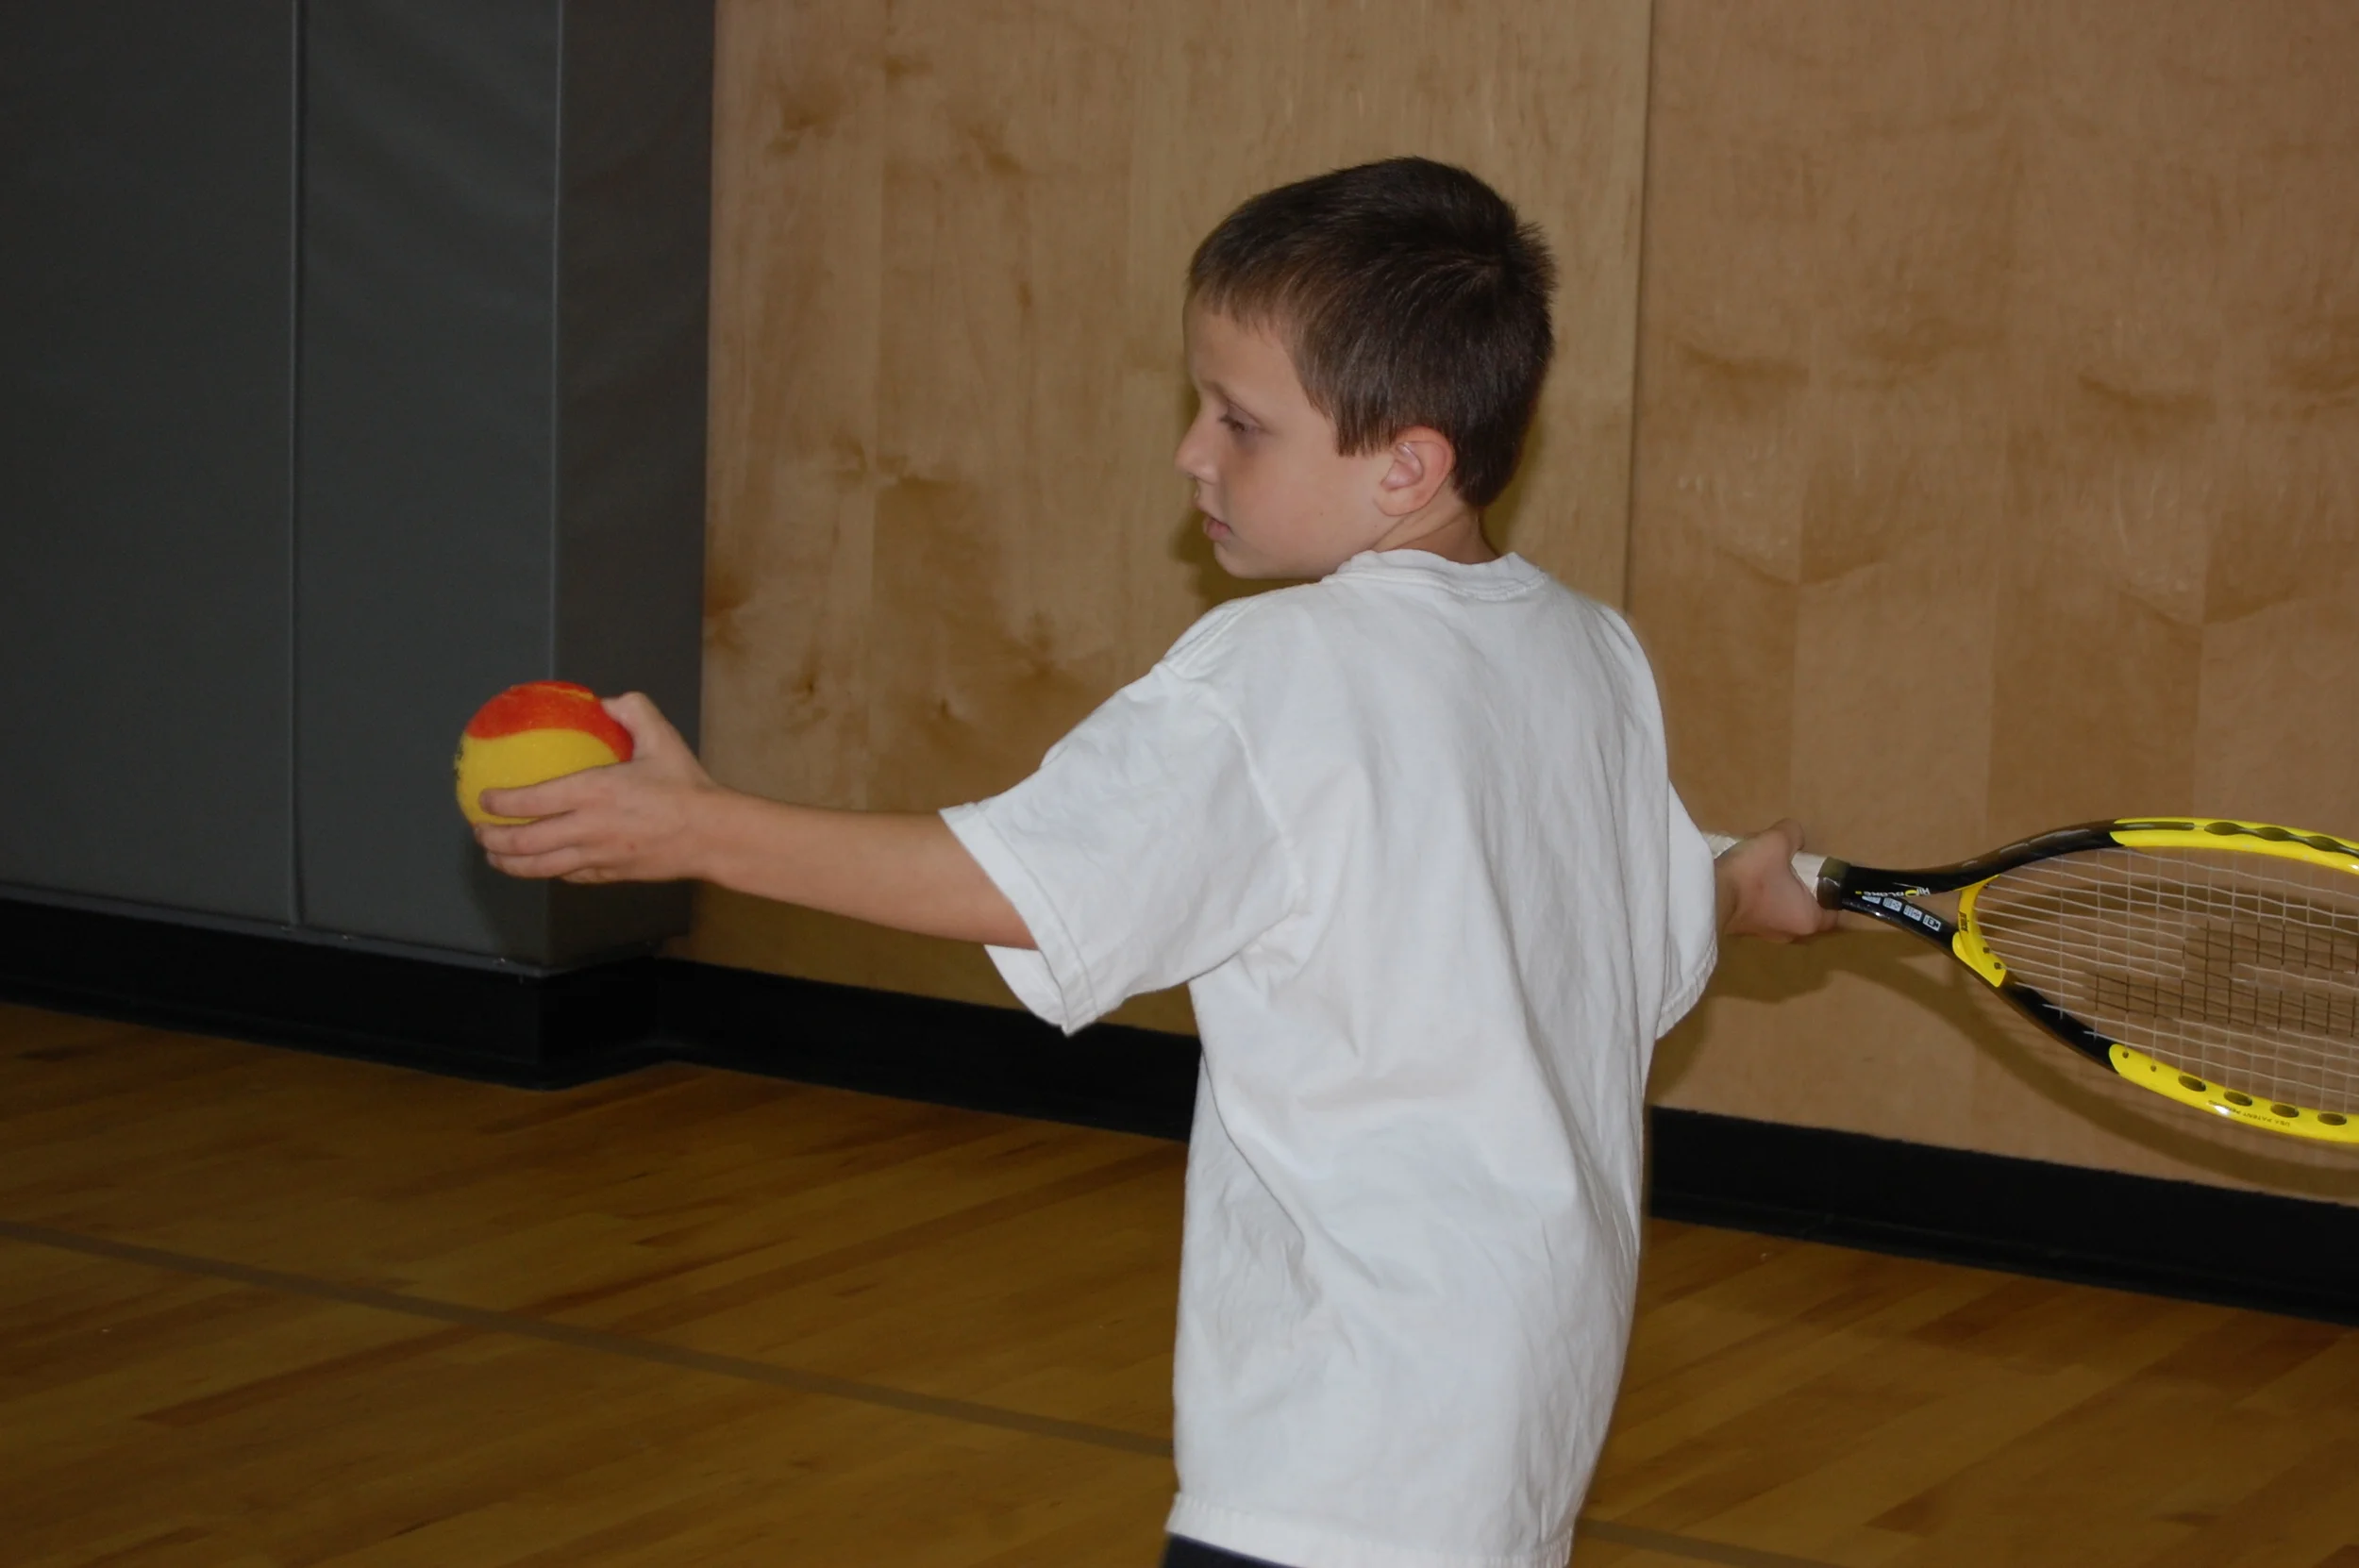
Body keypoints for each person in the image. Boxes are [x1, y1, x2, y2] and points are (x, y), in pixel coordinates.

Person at [476, 157, 1832, 1568]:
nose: (1193, 450)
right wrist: (1750, 883)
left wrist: (697, 828)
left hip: (1332, 1450)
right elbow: (1631, 903)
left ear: (1407, 464)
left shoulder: (1285, 672)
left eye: (1240, 421)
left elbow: (1026, 880)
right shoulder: (1585, 652)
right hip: (1514, 1436)